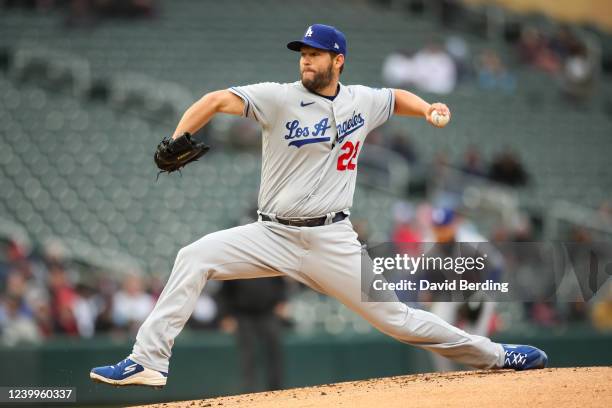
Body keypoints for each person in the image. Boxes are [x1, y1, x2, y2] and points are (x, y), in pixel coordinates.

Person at [90, 24, 547, 388]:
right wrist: (177, 137)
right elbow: (214, 100)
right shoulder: (278, 97)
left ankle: (497, 355)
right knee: (194, 257)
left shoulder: (361, 101)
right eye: (302, 53)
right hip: (271, 234)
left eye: (314, 53)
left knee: (399, 320)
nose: (305, 59)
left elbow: (395, 99)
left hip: (333, 239)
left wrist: (427, 108)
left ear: (338, 60)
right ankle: (147, 361)